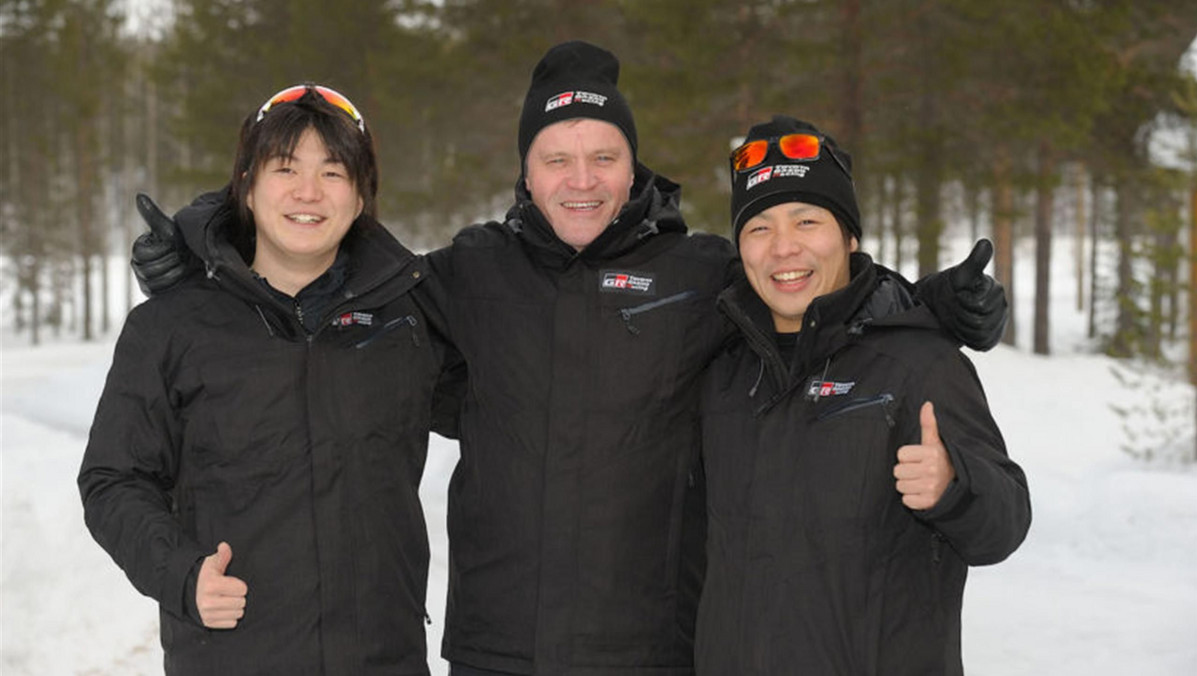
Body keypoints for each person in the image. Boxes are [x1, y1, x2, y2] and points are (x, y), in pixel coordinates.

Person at [129, 44, 1008, 675]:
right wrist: (212, 246)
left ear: (633, 168)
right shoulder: (469, 271)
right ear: (526, 169)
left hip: (651, 650)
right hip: (497, 647)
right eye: (556, 158)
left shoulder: (699, 273)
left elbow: (803, 291)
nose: (579, 178)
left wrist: (924, 301)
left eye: (602, 156)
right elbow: (336, 267)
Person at [78, 85, 447, 675]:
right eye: (285, 169)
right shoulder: (171, 326)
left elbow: (519, 385)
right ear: (247, 185)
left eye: (333, 171)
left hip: (384, 657)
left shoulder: (410, 318)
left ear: (360, 196)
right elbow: (112, 479)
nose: (309, 192)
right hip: (232, 658)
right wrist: (180, 574)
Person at [695, 115, 1031, 675]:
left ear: (849, 238)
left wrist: (954, 487)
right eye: (759, 229)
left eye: (807, 221)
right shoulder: (723, 372)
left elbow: (1005, 524)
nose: (784, 248)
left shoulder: (917, 364)